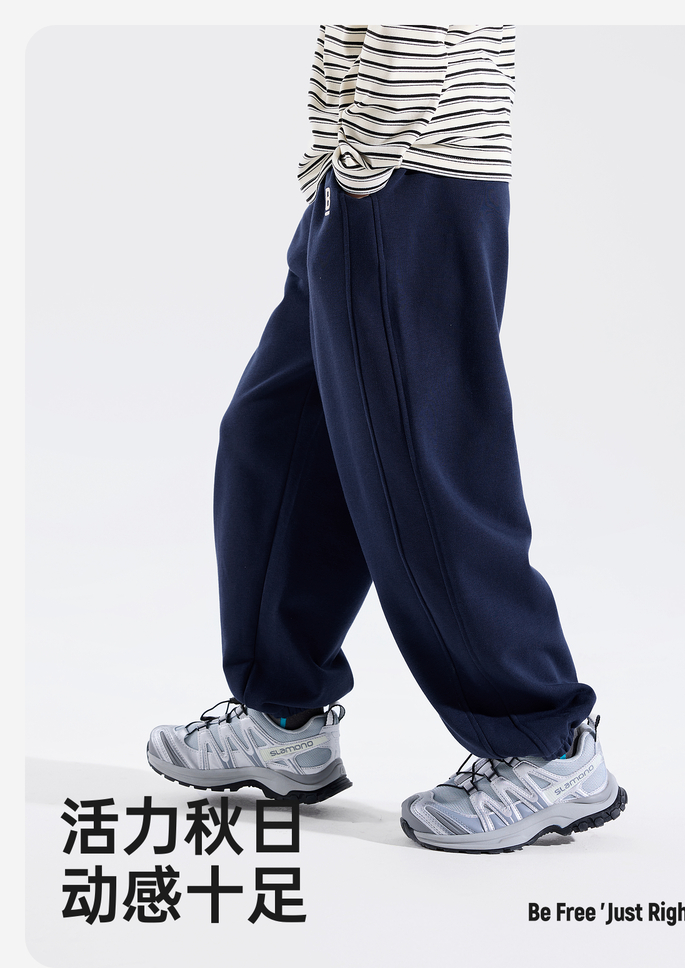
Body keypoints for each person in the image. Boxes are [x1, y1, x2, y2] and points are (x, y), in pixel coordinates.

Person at [147, 24, 627, 853]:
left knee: (420, 467)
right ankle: (283, 717)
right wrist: (338, 168)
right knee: (280, 435)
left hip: (410, 168)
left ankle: (545, 743)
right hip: (362, 172)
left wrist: (371, 163)